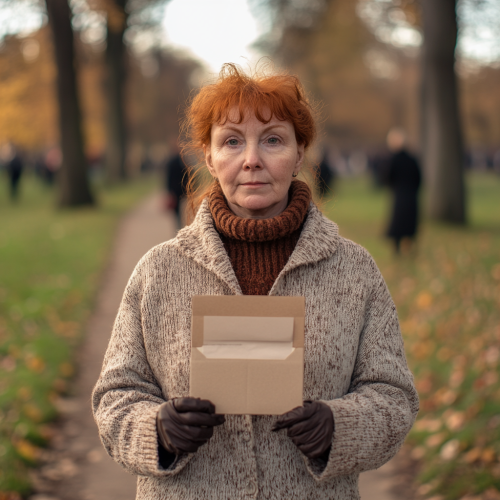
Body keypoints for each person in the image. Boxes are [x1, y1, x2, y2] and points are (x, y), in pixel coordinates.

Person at [92, 64, 418, 500]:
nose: (251, 159)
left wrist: (341, 426)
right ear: (208, 157)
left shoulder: (354, 271)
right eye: (231, 141)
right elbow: (115, 397)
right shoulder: (158, 272)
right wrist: (157, 431)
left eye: (273, 140)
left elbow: (394, 397)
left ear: (300, 153)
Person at [385, 128, 422, 254]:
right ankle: (410, 247)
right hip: (411, 195)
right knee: (409, 223)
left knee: (398, 223)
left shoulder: (393, 159)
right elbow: (419, 178)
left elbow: (387, 177)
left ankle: (397, 248)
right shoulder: (412, 159)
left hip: (399, 195)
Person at [164, 139, 188, 228]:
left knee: (182, 213)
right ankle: (180, 229)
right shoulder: (174, 162)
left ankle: (181, 228)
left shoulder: (183, 160)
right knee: (178, 214)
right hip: (177, 191)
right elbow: (168, 178)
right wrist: (170, 192)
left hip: (183, 191)